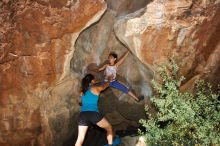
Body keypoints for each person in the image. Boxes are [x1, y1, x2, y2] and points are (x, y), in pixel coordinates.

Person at [75, 74, 113, 146]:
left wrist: (93, 82)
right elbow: (105, 86)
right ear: (92, 81)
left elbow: (82, 101)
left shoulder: (82, 91)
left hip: (83, 115)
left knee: (80, 138)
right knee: (109, 127)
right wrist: (109, 79)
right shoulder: (96, 88)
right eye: (94, 79)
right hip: (93, 114)